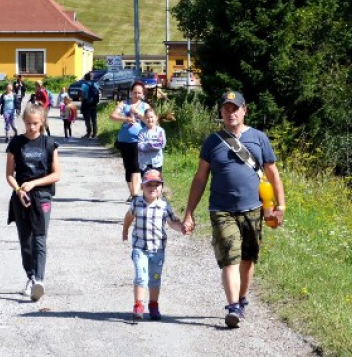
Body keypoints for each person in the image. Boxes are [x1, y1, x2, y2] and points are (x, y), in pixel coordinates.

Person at [182, 91, 286, 328]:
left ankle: (241, 299)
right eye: (226, 109)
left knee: (248, 259)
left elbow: (273, 174)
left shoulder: (259, 138)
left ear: (244, 110)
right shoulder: (212, 142)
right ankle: (232, 308)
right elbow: (200, 178)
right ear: (221, 112)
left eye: (235, 108)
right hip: (221, 210)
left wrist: (280, 206)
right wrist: (189, 212)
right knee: (230, 258)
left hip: (253, 209)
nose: (231, 113)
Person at [5, 104, 60, 302]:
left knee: (40, 238)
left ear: (42, 122)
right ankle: (31, 276)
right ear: (23, 122)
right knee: (26, 241)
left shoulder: (49, 144)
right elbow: (9, 175)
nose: (31, 127)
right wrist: (18, 190)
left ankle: (39, 280)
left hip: (42, 196)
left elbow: (56, 174)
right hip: (21, 197)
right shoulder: (16, 143)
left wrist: (34, 183)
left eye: (35, 123)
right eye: (28, 123)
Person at [122, 169, 184, 320]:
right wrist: (125, 231)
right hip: (140, 248)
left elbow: (172, 222)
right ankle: (138, 305)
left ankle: (154, 305)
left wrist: (182, 228)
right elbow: (129, 217)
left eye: (156, 185)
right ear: (142, 186)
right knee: (141, 277)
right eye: (149, 184)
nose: (152, 188)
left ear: (162, 187)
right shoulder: (137, 203)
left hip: (157, 250)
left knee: (155, 278)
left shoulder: (164, 206)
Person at [110, 81, 151, 200]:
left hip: (139, 140)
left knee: (136, 166)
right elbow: (112, 116)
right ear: (130, 92)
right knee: (128, 167)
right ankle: (132, 193)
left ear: (143, 94)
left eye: (139, 93)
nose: (136, 95)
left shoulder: (145, 106)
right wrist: (125, 119)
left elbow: (151, 122)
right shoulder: (124, 104)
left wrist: (140, 114)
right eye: (135, 92)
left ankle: (135, 195)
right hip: (123, 140)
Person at [137, 108, 166, 174]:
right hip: (144, 164)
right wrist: (150, 145)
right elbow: (140, 146)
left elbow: (162, 144)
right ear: (144, 119)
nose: (149, 119)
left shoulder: (160, 131)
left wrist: (149, 145)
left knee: (156, 179)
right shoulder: (141, 132)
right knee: (145, 179)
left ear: (156, 117)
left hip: (157, 163)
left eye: (151, 117)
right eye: (147, 117)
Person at [80, 73, 100, 139]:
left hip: (86, 103)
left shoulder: (84, 85)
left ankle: (88, 133)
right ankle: (94, 134)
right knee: (94, 119)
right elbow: (98, 93)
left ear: (85, 78)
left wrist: (81, 101)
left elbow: (82, 95)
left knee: (87, 119)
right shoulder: (95, 84)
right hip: (94, 104)